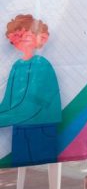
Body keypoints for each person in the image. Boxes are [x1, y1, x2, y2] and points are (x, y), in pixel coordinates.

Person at [0, 15, 61, 166]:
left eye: (26, 35)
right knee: (20, 161)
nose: (21, 40)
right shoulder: (17, 66)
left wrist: (5, 118)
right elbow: (8, 99)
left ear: (41, 38)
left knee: (43, 162)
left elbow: (36, 101)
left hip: (41, 124)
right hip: (21, 126)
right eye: (17, 37)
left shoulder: (42, 64)